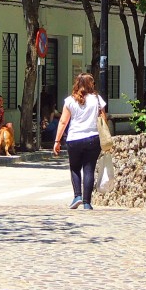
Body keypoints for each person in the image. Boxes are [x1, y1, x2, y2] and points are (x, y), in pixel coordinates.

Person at [53, 73, 106, 211]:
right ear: (90, 84)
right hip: (93, 138)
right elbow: (103, 120)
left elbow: (63, 121)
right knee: (89, 170)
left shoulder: (70, 100)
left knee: (75, 168)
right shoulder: (97, 99)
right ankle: (87, 202)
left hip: (74, 139)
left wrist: (57, 141)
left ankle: (77, 196)